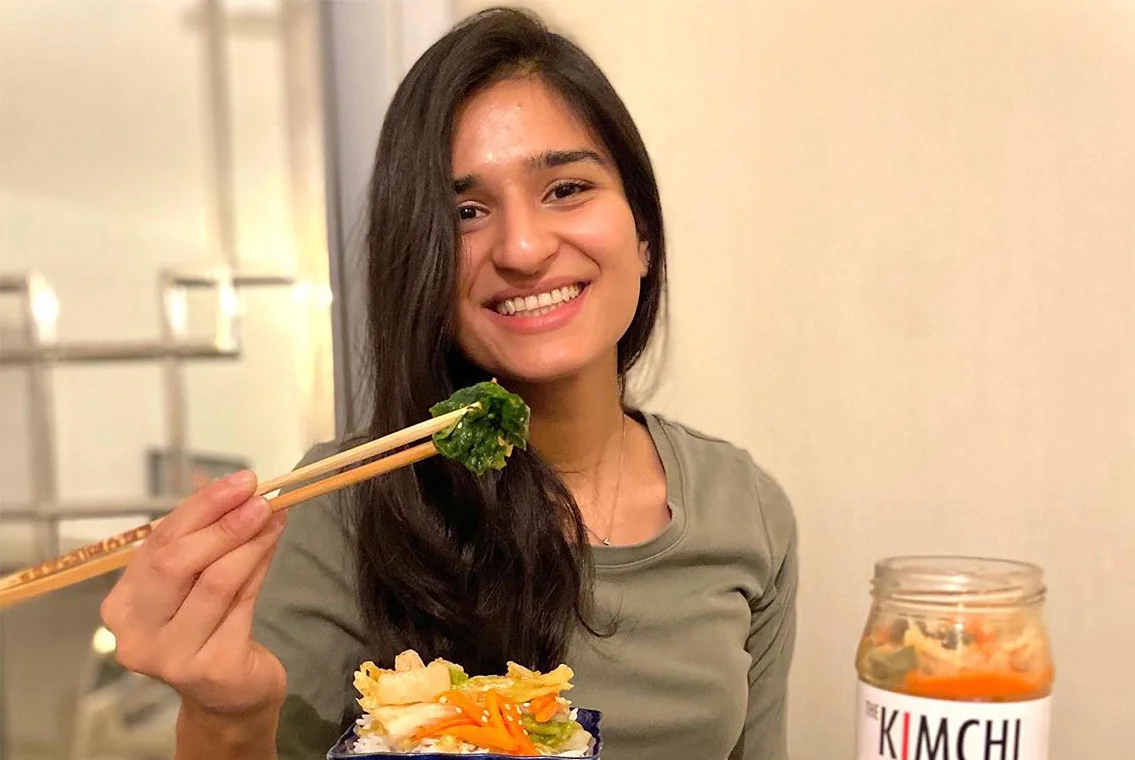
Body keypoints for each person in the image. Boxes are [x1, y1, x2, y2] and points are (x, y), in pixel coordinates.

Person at [99, 7, 798, 760]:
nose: (524, 248)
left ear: (644, 235)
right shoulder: (344, 507)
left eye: (565, 188)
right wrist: (223, 721)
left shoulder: (746, 509)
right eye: (465, 212)